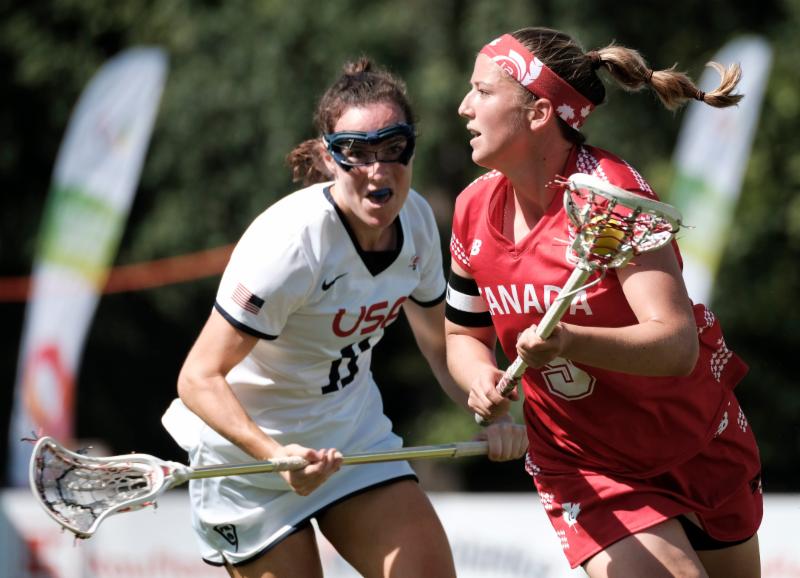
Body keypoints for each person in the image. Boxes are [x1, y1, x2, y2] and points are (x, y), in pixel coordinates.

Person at [161, 57, 528, 578]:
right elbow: (197, 378)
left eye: (393, 147)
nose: (378, 170)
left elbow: (442, 348)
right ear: (329, 159)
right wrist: (273, 455)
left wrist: (492, 416)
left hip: (353, 444)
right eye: (356, 153)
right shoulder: (291, 245)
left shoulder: (418, 221)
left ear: (412, 146)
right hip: (249, 467)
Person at [445, 27, 762, 578]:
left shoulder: (613, 198)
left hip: (696, 438)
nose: (464, 107)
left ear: (540, 112)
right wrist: (478, 378)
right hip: (582, 463)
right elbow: (462, 334)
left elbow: (675, 343)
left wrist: (568, 341)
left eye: (483, 91)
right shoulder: (472, 208)